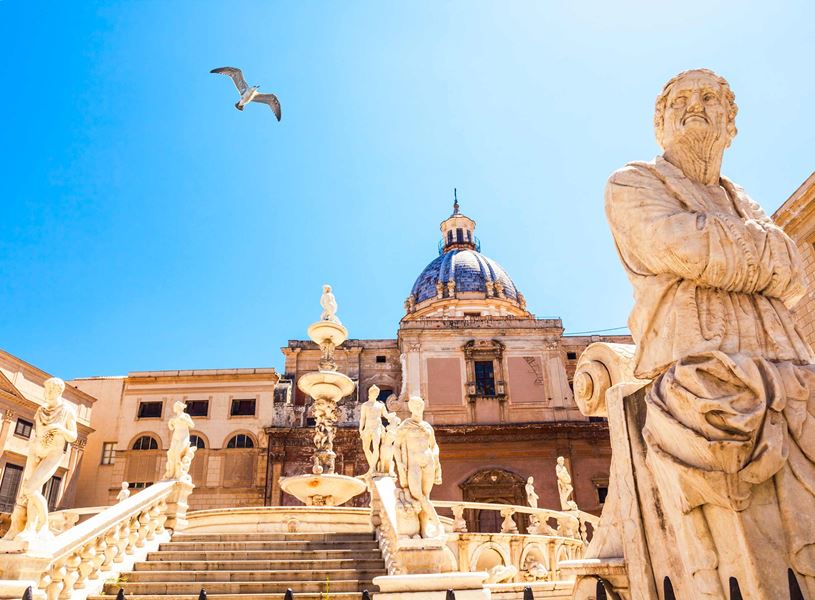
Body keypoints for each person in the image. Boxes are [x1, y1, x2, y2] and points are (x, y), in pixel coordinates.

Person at [606, 68, 815, 597]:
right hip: (697, 366)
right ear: (660, 122)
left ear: (730, 124)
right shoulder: (632, 183)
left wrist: (724, 246)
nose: (693, 106)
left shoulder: (743, 199)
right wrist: (760, 253)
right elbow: (676, 246)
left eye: (708, 99)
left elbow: (794, 272)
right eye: (680, 99)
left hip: (787, 364)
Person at [4, 377, 77, 542]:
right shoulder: (41, 410)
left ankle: (40, 525)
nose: (47, 392)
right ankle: (22, 526)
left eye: (51, 389)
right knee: (27, 492)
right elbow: (38, 433)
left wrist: (60, 429)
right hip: (35, 450)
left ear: (59, 391)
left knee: (31, 489)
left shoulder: (67, 410)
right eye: (46, 389)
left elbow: (73, 437)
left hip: (54, 453)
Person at [394, 396, 442, 538]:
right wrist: (400, 463)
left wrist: (436, 458)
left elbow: (434, 445)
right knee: (418, 495)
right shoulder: (405, 425)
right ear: (410, 408)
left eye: (419, 405)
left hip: (429, 463)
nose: (417, 407)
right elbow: (396, 446)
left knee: (426, 496)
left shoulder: (428, 427)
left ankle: (424, 530)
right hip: (413, 463)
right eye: (414, 405)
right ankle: (437, 523)